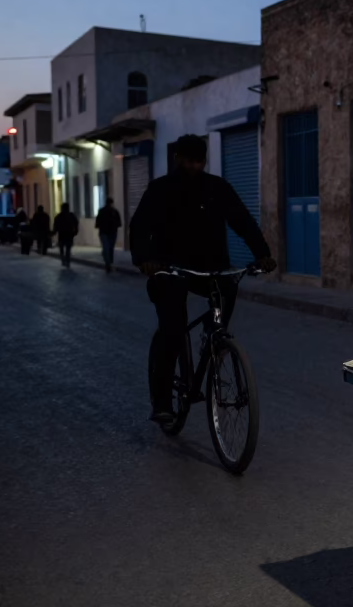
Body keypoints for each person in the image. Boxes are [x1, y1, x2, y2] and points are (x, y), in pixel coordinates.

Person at [130, 134, 276, 425]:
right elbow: (139, 227)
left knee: (229, 286)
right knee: (172, 329)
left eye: (199, 161)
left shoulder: (217, 188)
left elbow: (242, 221)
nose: (194, 166)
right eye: (188, 160)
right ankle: (161, 401)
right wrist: (145, 259)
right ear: (177, 159)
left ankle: (215, 337)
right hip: (169, 271)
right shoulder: (160, 189)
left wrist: (262, 253)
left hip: (210, 269)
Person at [95, 198, 122, 272]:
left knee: (106, 247)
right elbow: (119, 223)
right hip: (112, 232)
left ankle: (108, 262)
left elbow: (97, 223)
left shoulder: (102, 211)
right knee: (110, 248)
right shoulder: (114, 211)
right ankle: (109, 262)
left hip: (104, 232)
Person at [52, 203, 79, 268]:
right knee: (68, 248)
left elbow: (55, 226)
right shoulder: (71, 215)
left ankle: (64, 259)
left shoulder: (58, 216)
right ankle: (67, 260)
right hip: (69, 234)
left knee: (62, 248)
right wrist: (76, 231)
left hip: (62, 234)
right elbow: (76, 223)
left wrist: (54, 232)